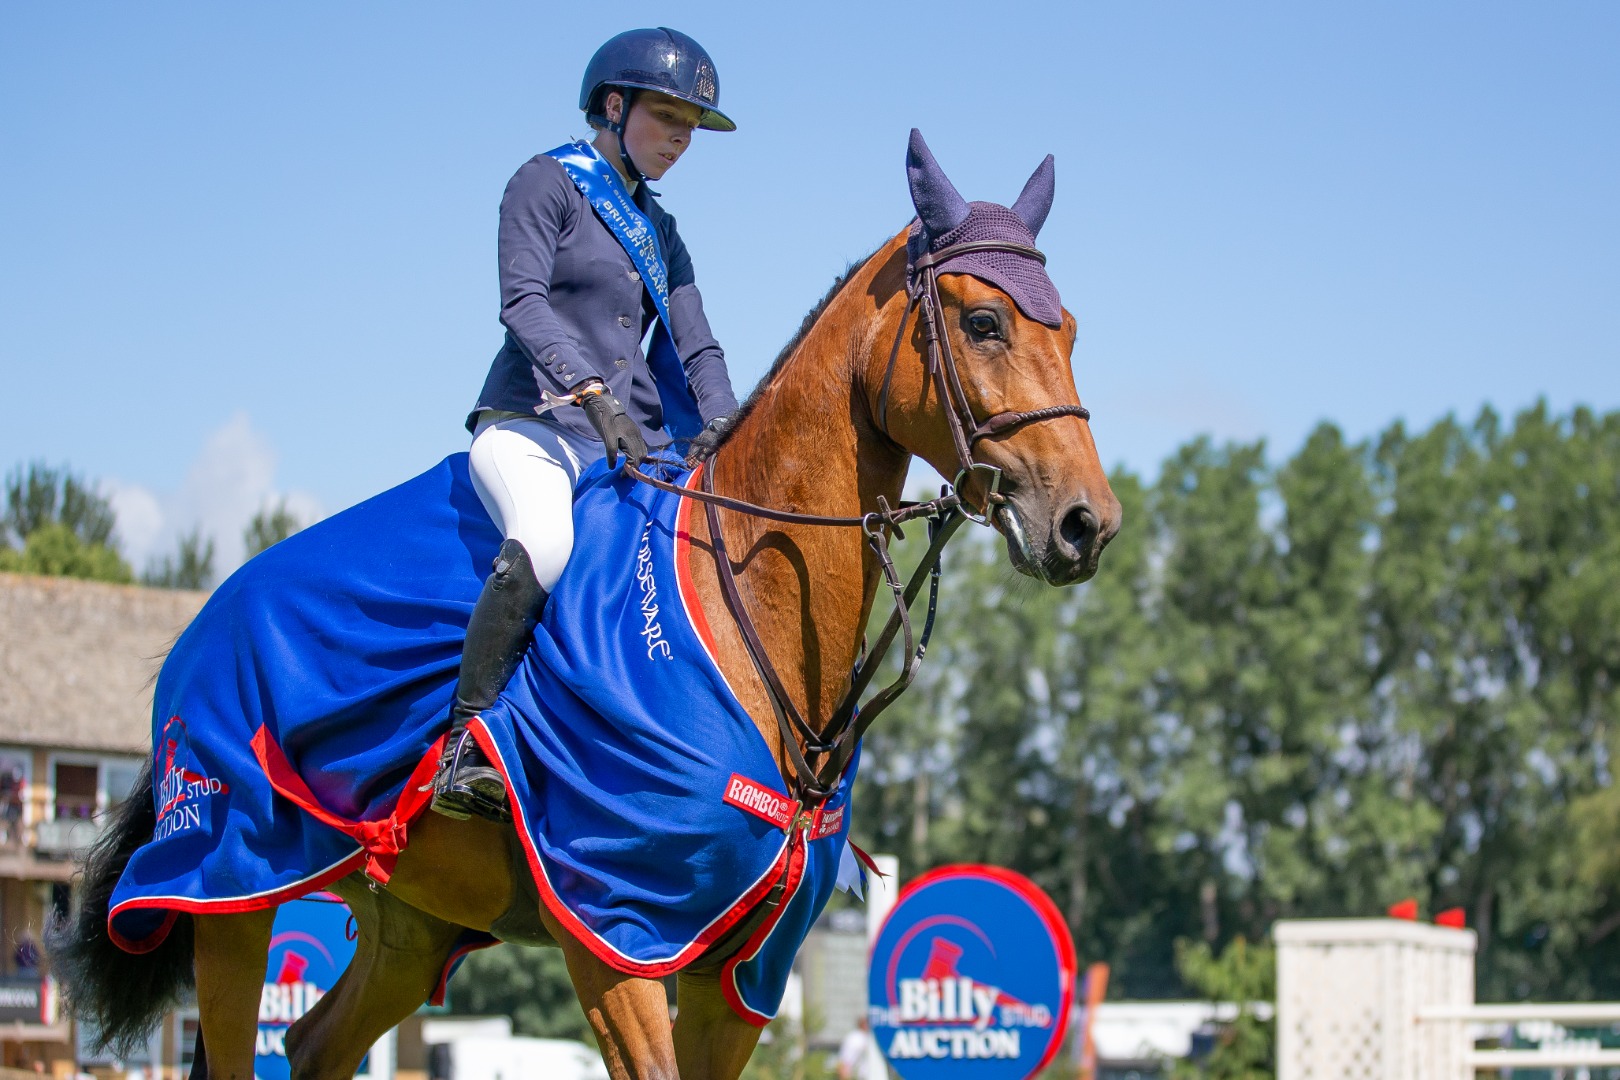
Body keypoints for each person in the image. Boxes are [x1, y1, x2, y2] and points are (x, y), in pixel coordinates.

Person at [431, 28, 742, 822]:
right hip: (532, 425)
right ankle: (467, 743)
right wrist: (593, 394)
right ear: (614, 104)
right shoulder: (546, 183)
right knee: (547, 542)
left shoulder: (662, 233)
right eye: (669, 116)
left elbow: (696, 343)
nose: (681, 139)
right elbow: (522, 302)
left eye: (692, 126)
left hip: (630, 447)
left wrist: (726, 426)